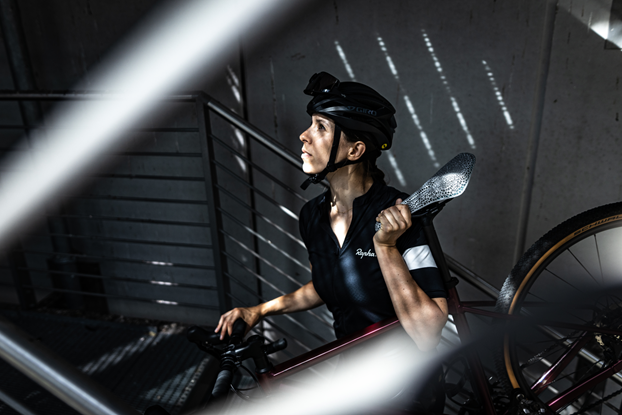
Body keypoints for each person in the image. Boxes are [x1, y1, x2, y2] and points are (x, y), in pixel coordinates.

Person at [215, 71, 449, 412]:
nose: (303, 136)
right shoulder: (312, 217)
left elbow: (429, 330)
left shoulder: (401, 214)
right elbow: (326, 284)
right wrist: (261, 310)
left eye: (321, 127)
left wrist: (385, 247)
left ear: (355, 150)